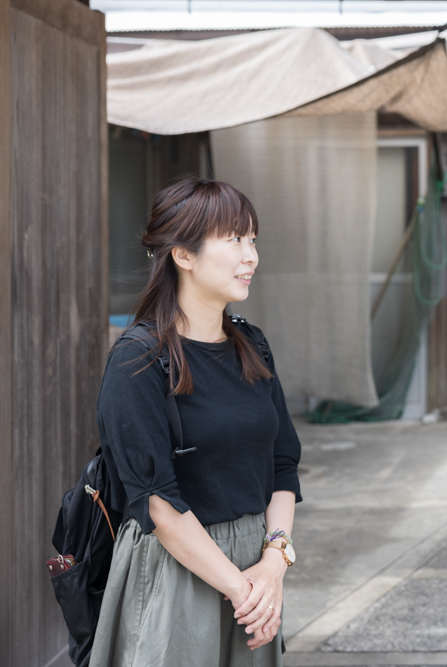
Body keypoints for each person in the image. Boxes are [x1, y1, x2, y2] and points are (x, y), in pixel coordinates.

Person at [91, 178, 302, 667]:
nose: (250, 256)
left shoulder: (252, 344)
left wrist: (274, 563)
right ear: (183, 255)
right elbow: (158, 504)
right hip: (178, 571)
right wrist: (242, 590)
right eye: (234, 240)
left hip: (256, 566)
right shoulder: (138, 361)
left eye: (253, 239)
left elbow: (283, 464)